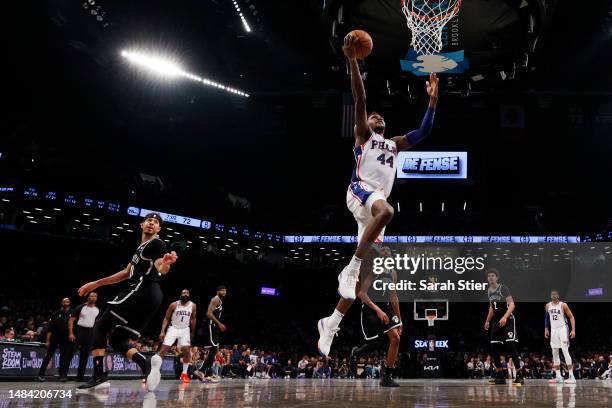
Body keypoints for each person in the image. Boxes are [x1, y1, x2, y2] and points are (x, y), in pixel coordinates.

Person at [317, 32, 438, 357]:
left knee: (364, 279)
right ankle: (351, 267)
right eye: (373, 117)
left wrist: (432, 101)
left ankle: (331, 321)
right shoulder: (363, 136)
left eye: (380, 117)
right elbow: (360, 99)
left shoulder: (395, 143)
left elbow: (424, 131)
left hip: (371, 213)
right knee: (387, 212)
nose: (377, 117)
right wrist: (352, 61)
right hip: (360, 194)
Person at [76, 212, 178, 391]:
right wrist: (96, 283)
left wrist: (166, 263)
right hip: (151, 297)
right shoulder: (140, 248)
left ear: (159, 229)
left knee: (100, 326)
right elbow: (125, 272)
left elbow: (160, 266)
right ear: (142, 224)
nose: (151, 223)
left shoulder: (156, 243)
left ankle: (99, 375)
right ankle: (145, 364)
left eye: (155, 222)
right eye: (149, 220)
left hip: (142, 291)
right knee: (118, 339)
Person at [350, 246, 402, 386]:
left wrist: (400, 320)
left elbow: (394, 297)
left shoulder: (393, 273)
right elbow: (361, 293)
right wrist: (378, 310)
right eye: (383, 250)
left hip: (385, 306)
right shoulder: (373, 270)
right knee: (375, 343)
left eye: (388, 250)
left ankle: (387, 376)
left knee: (395, 338)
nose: (386, 252)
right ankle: (356, 353)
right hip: (370, 307)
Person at [483, 269, 523, 386]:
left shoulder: (503, 288)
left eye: (493, 275)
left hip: (508, 318)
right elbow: (491, 308)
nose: (491, 277)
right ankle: (500, 376)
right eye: (489, 276)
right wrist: (487, 321)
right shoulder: (489, 291)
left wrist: (505, 317)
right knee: (494, 347)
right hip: (496, 320)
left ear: (497, 278)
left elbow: (512, 304)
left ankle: (520, 376)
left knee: (510, 346)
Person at [158, 289, 197, 383]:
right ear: (180, 295)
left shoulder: (193, 305)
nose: (185, 294)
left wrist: (192, 332)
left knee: (187, 351)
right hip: (173, 328)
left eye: (187, 293)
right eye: (184, 293)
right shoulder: (174, 304)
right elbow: (166, 318)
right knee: (163, 350)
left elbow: (193, 319)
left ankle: (184, 374)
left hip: (185, 329)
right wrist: (162, 331)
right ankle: (154, 372)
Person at [195, 286, 227, 382]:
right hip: (210, 326)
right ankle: (201, 371)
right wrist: (219, 323)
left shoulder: (219, 300)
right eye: (222, 290)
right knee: (213, 349)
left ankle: (208, 373)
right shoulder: (215, 299)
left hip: (214, 327)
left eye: (225, 291)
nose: (224, 292)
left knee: (215, 349)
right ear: (217, 291)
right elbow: (208, 313)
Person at [545, 290, 577, 384]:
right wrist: (546, 328)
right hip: (554, 330)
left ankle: (572, 376)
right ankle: (558, 376)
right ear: (550, 296)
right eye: (552, 294)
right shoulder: (547, 306)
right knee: (554, 352)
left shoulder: (563, 305)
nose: (554, 295)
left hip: (563, 329)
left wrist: (573, 330)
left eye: (555, 294)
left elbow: (571, 317)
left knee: (565, 350)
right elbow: (546, 318)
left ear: (558, 295)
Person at [38, 298, 74, 382]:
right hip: (55, 336)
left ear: (69, 303)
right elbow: (50, 329)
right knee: (48, 355)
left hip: (66, 337)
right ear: (61, 303)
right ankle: (41, 374)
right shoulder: (56, 313)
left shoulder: (73, 313)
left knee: (64, 357)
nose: (66, 303)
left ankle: (62, 376)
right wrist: (47, 341)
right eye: (64, 301)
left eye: (67, 302)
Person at [68, 292, 100, 382]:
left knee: (85, 355)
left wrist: (95, 335)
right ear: (88, 297)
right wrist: (71, 333)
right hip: (79, 330)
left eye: (94, 296)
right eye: (91, 296)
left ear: (96, 298)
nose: (93, 297)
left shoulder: (97, 309)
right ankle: (63, 375)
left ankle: (80, 377)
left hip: (90, 332)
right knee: (71, 353)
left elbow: (97, 323)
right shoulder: (80, 307)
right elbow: (71, 320)